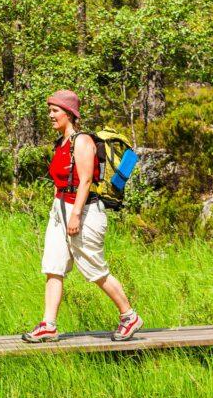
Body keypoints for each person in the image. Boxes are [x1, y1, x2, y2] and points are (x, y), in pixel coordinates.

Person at [21, 90, 143, 343]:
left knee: (94, 269)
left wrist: (75, 215)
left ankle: (129, 315)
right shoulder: (61, 143)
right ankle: (49, 325)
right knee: (53, 267)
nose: (50, 115)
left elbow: (86, 180)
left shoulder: (82, 141)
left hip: (85, 211)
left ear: (69, 113)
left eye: (55, 110)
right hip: (61, 210)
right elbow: (60, 181)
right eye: (50, 109)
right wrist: (58, 212)